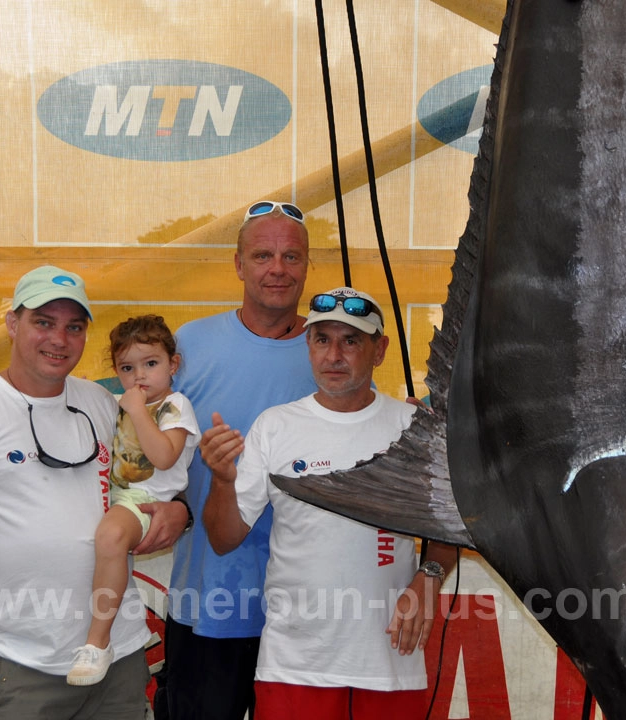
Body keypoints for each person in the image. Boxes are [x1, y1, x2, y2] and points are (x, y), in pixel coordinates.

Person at [0, 265, 190, 720]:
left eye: (74, 327)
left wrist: (179, 512)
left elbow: (155, 475)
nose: (59, 339)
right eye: (43, 322)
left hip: (120, 657)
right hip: (21, 666)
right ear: (12, 324)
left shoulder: (103, 403)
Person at [200, 287, 458, 720]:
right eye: (322, 340)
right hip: (294, 665)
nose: (334, 355)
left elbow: (448, 527)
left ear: (380, 350)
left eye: (351, 340)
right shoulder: (275, 426)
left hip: (390, 662)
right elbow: (225, 538)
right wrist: (223, 482)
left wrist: (429, 576)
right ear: (309, 346)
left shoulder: (415, 425)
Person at [159, 201, 318, 720]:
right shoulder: (190, 345)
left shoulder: (333, 351)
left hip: (306, 611)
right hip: (210, 599)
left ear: (308, 265)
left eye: (292, 256)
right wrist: (176, 503)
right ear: (238, 264)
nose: (278, 269)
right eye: (263, 255)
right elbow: (155, 455)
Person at [67, 315, 200, 686]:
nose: (139, 376)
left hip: (145, 499)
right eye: (128, 368)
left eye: (151, 364)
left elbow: (164, 457)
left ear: (173, 365)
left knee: (109, 537)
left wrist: (139, 410)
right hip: (111, 492)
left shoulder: (175, 407)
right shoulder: (119, 403)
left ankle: (98, 642)